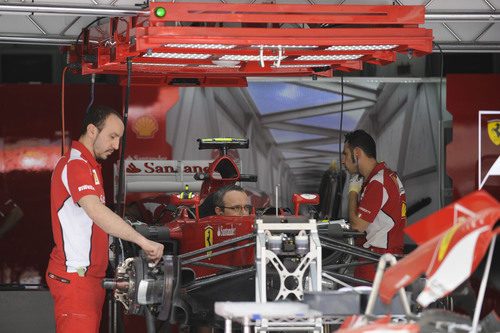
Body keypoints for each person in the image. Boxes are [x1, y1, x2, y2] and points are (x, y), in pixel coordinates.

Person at [46, 105, 164, 333]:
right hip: (76, 278)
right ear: (92, 130)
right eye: (112, 136)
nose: (116, 146)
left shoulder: (89, 165)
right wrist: (143, 241)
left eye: (119, 138)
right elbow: (96, 211)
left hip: (89, 278)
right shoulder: (76, 165)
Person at [341, 130, 406, 281]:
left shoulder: (377, 183)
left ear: (356, 153)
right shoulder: (388, 176)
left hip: (377, 261)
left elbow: (357, 226)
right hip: (385, 258)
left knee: (368, 304)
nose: (343, 161)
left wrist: (352, 193)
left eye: (345, 154)